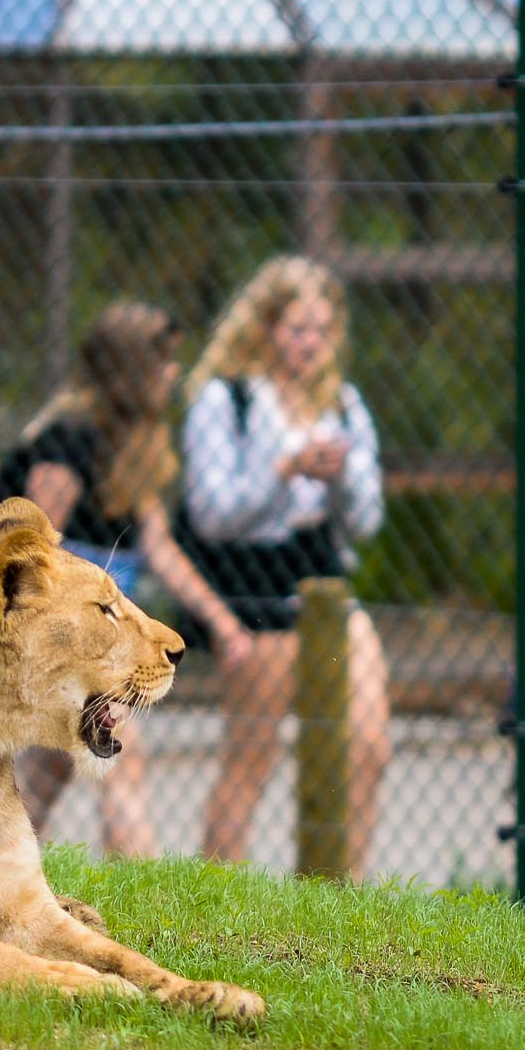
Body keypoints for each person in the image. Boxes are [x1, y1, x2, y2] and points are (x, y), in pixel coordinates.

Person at [0, 302, 252, 857]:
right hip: (36, 632)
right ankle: (146, 891)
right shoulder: (69, 443)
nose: (173, 374)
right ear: (129, 372)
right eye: (162, 363)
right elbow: (23, 547)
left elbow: (161, 549)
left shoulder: (134, 450)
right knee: (122, 750)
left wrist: (223, 623)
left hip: (91, 636)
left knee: (48, 777)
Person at [178, 255, 390, 873]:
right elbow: (212, 515)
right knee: (253, 758)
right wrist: (284, 472)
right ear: (266, 327)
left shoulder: (344, 405)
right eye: (298, 329)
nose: (311, 344)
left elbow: (367, 522)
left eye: (324, 331)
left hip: (323, 582)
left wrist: (341, 475)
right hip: (254, 585)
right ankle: (215, 901)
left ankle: (341, 899)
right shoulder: (228, 400)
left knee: (369, 743)